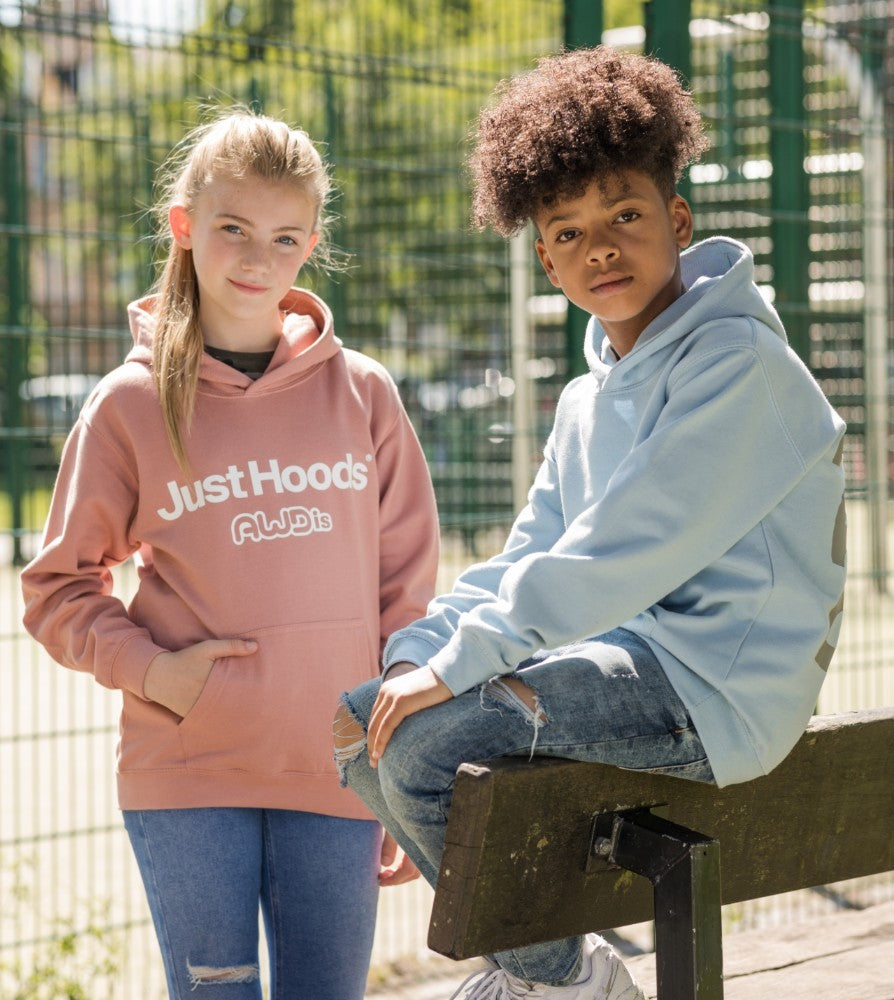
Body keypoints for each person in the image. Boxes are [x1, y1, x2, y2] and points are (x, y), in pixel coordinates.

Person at [334, 46, 847, 1000]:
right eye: (567, 232)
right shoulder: (585, 398)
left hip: (720, 690)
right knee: (360, 723)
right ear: (545, 258)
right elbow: (533, 551)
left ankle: (562, 984)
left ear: (677, 221)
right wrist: (422, 651)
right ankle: (553, 974)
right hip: (633, 665)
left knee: (426, 743)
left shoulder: (740, 368)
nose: (599, 248)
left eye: (624, 216)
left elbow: (622, 555)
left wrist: (465, 662)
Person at [21, 108, 439, 1000]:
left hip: (337, 767)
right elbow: (56, 589)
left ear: (311, 247)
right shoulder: (130, 405)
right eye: (233, 228)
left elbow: (407, 596)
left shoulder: (363, 393)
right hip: (187, 772)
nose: (257, 258)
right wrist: (153, 671)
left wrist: (402, 765)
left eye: (284, 238)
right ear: (184, 226)